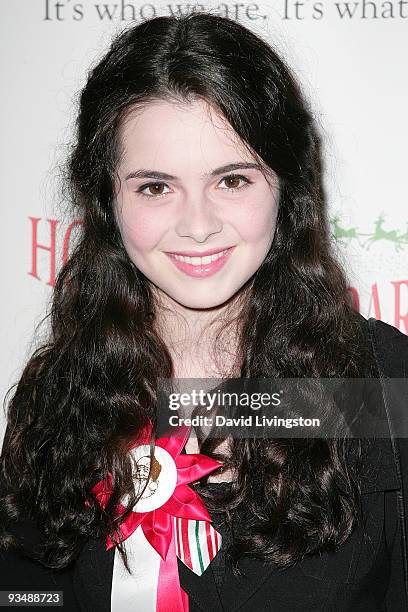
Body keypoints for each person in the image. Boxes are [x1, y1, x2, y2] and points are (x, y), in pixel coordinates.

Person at [1, 12, 408, 612]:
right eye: (155, 187)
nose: (197, 226)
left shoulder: (381, 381)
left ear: (285, 188)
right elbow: (24, 593)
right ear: (108, 200)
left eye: (233, 180)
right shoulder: (59, 394)